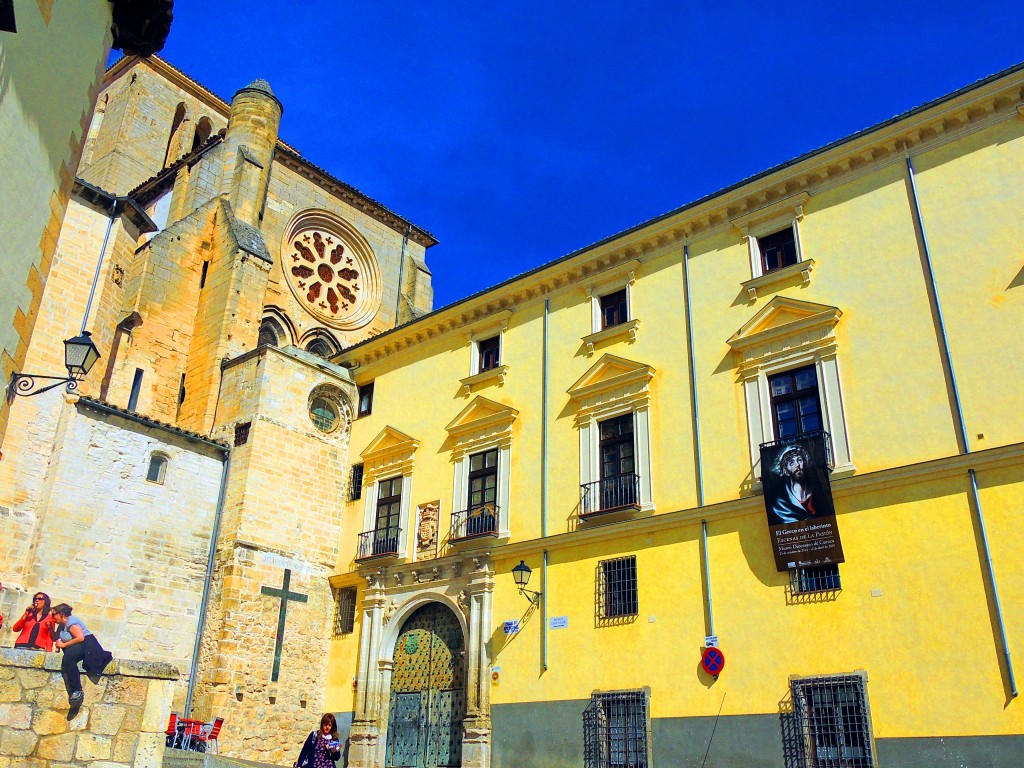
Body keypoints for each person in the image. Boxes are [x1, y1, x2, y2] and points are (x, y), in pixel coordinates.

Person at [49, 604, 113, 707]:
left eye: (53, 615)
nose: (52, 617)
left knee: (68, 659)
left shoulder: (71, 622)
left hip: (87, 644)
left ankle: (77, 691)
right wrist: (51, 629)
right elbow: (56, 637)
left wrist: (64, 645)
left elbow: (80, 637)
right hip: (80, 644)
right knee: (68, 658)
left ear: (61, 614)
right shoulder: (62, 625)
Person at [768, 444, 818, 524]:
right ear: (786, 471)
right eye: (792, 463)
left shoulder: (818, 494)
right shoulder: (781, 504)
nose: (797, 465)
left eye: (799, 460)